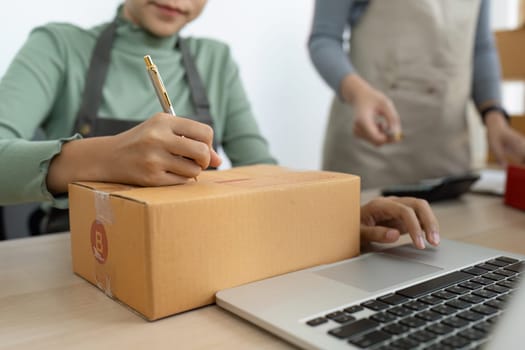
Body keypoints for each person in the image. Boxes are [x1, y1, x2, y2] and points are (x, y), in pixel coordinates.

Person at [0, 0, 438, 249]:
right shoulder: (58, 46)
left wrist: (336, 219)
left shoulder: (216, 60)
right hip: (84, 256)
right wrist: (105, 156)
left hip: (199, 254)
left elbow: (263, 172)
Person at [308, 0, 525, 189]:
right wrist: (358, 93)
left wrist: (493, 115)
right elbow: (324, 39)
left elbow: (481, 47)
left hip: (448, 154)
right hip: (370, 152)